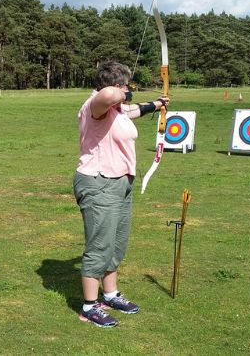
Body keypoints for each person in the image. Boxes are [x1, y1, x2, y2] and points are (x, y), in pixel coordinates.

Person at [73, 61, 169, 327]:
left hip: (120, 183)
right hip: (98, 182)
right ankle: (89, 307)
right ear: (117, 86)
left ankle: (111, 294)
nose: (128, 90)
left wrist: (157, 105)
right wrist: (125, 93)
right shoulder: (96, 104)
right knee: (99, 246)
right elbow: (109, 96)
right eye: (125, 85)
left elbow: (132, 110)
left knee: (116, 243)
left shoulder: (116, 109)